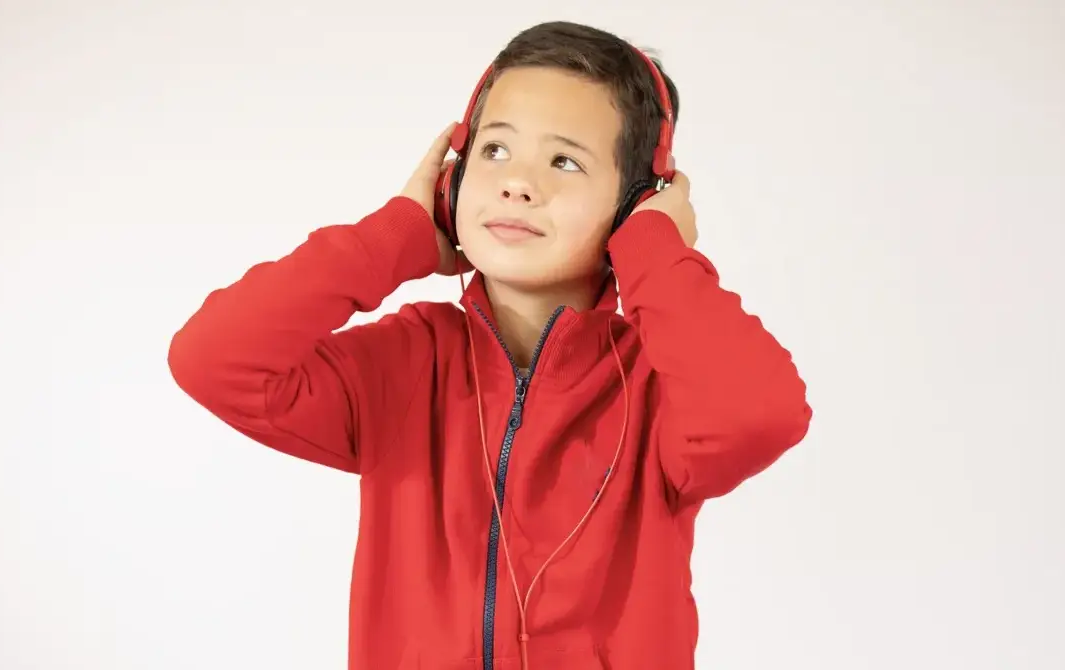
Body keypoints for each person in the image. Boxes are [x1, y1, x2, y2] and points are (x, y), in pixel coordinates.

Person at [168, 20, 811, 670]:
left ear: (635, 202)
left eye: (564, 161)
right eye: (497, 151)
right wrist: (397, 237)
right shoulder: (404, 363)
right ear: (452, 181)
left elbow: (761, 413)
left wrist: (655, 252)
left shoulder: (658, 388)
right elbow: (214, 359)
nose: (518, 183)